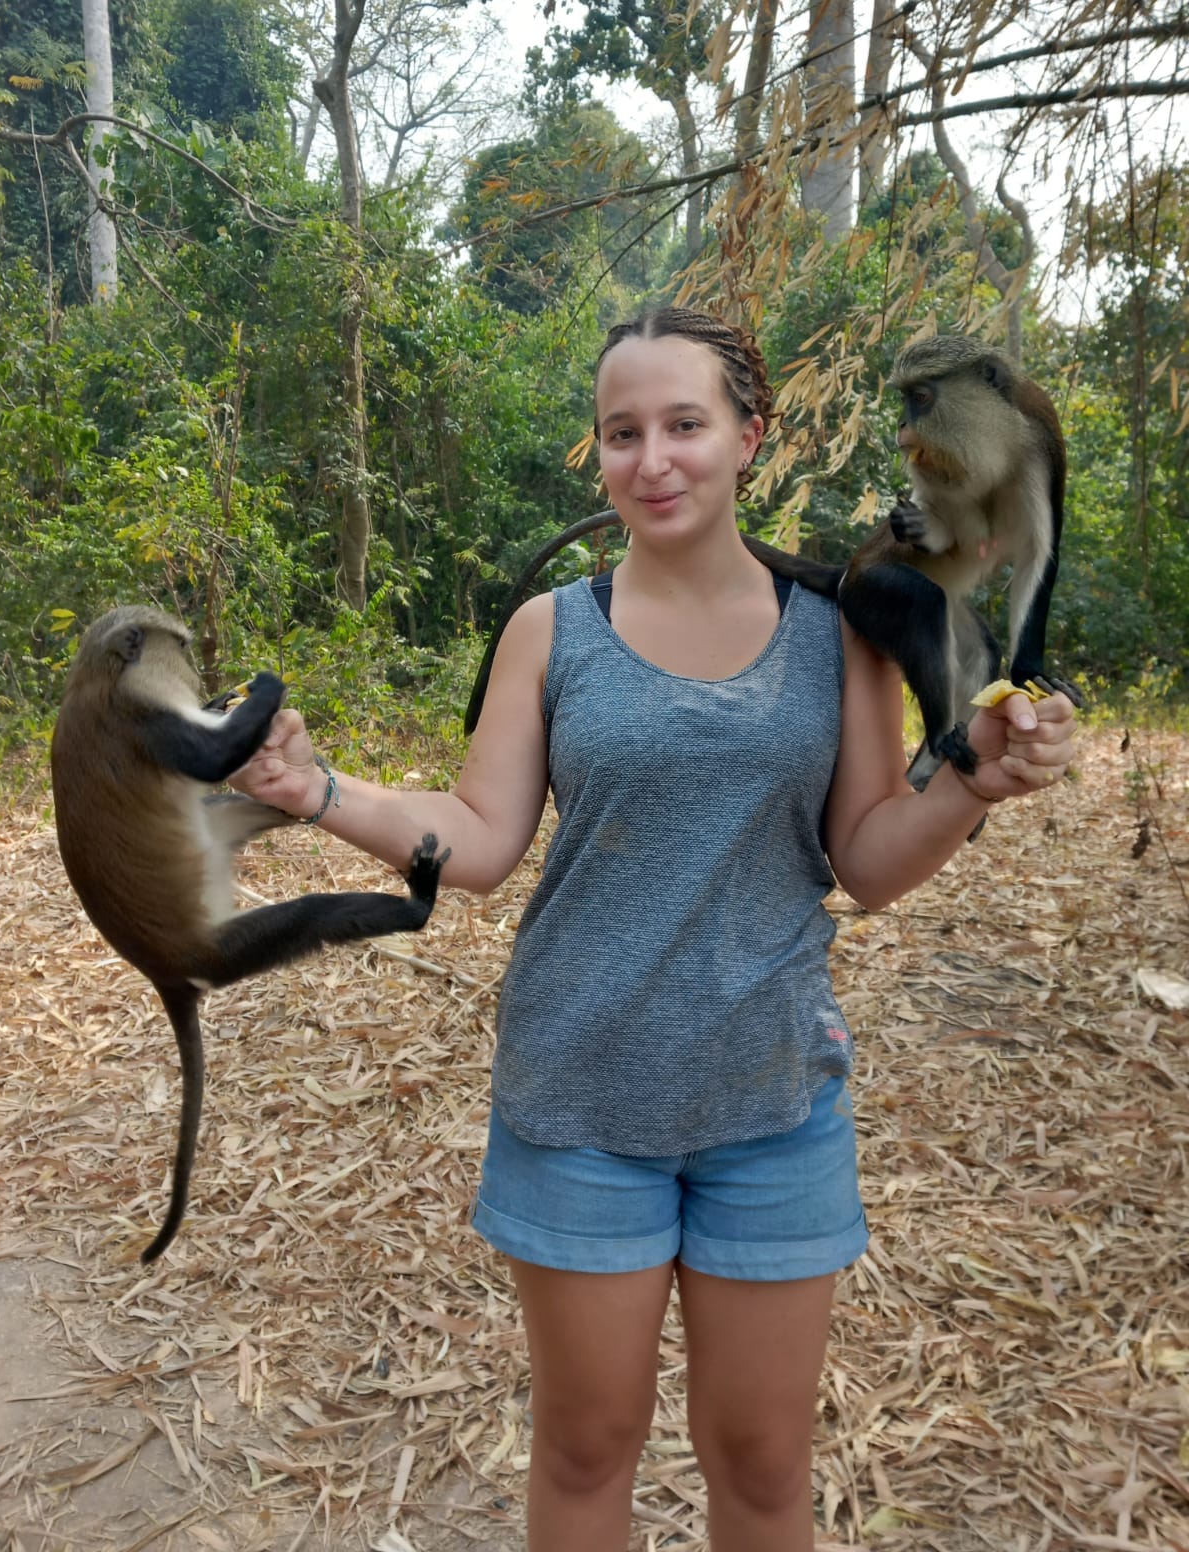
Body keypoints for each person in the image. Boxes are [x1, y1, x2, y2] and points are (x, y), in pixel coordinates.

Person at [230, 308, 1077, 1552]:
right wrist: (318, 793)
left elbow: (867, 859)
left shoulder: (842, 625)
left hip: (774, 1105)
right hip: (580, 1103)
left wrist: (968, 783)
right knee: (585, 1448)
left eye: (685, 423)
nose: (654, 458)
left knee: (764, 1465)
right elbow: (477, 835)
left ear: (750, 435)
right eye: (623, 433)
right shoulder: (550, 630)